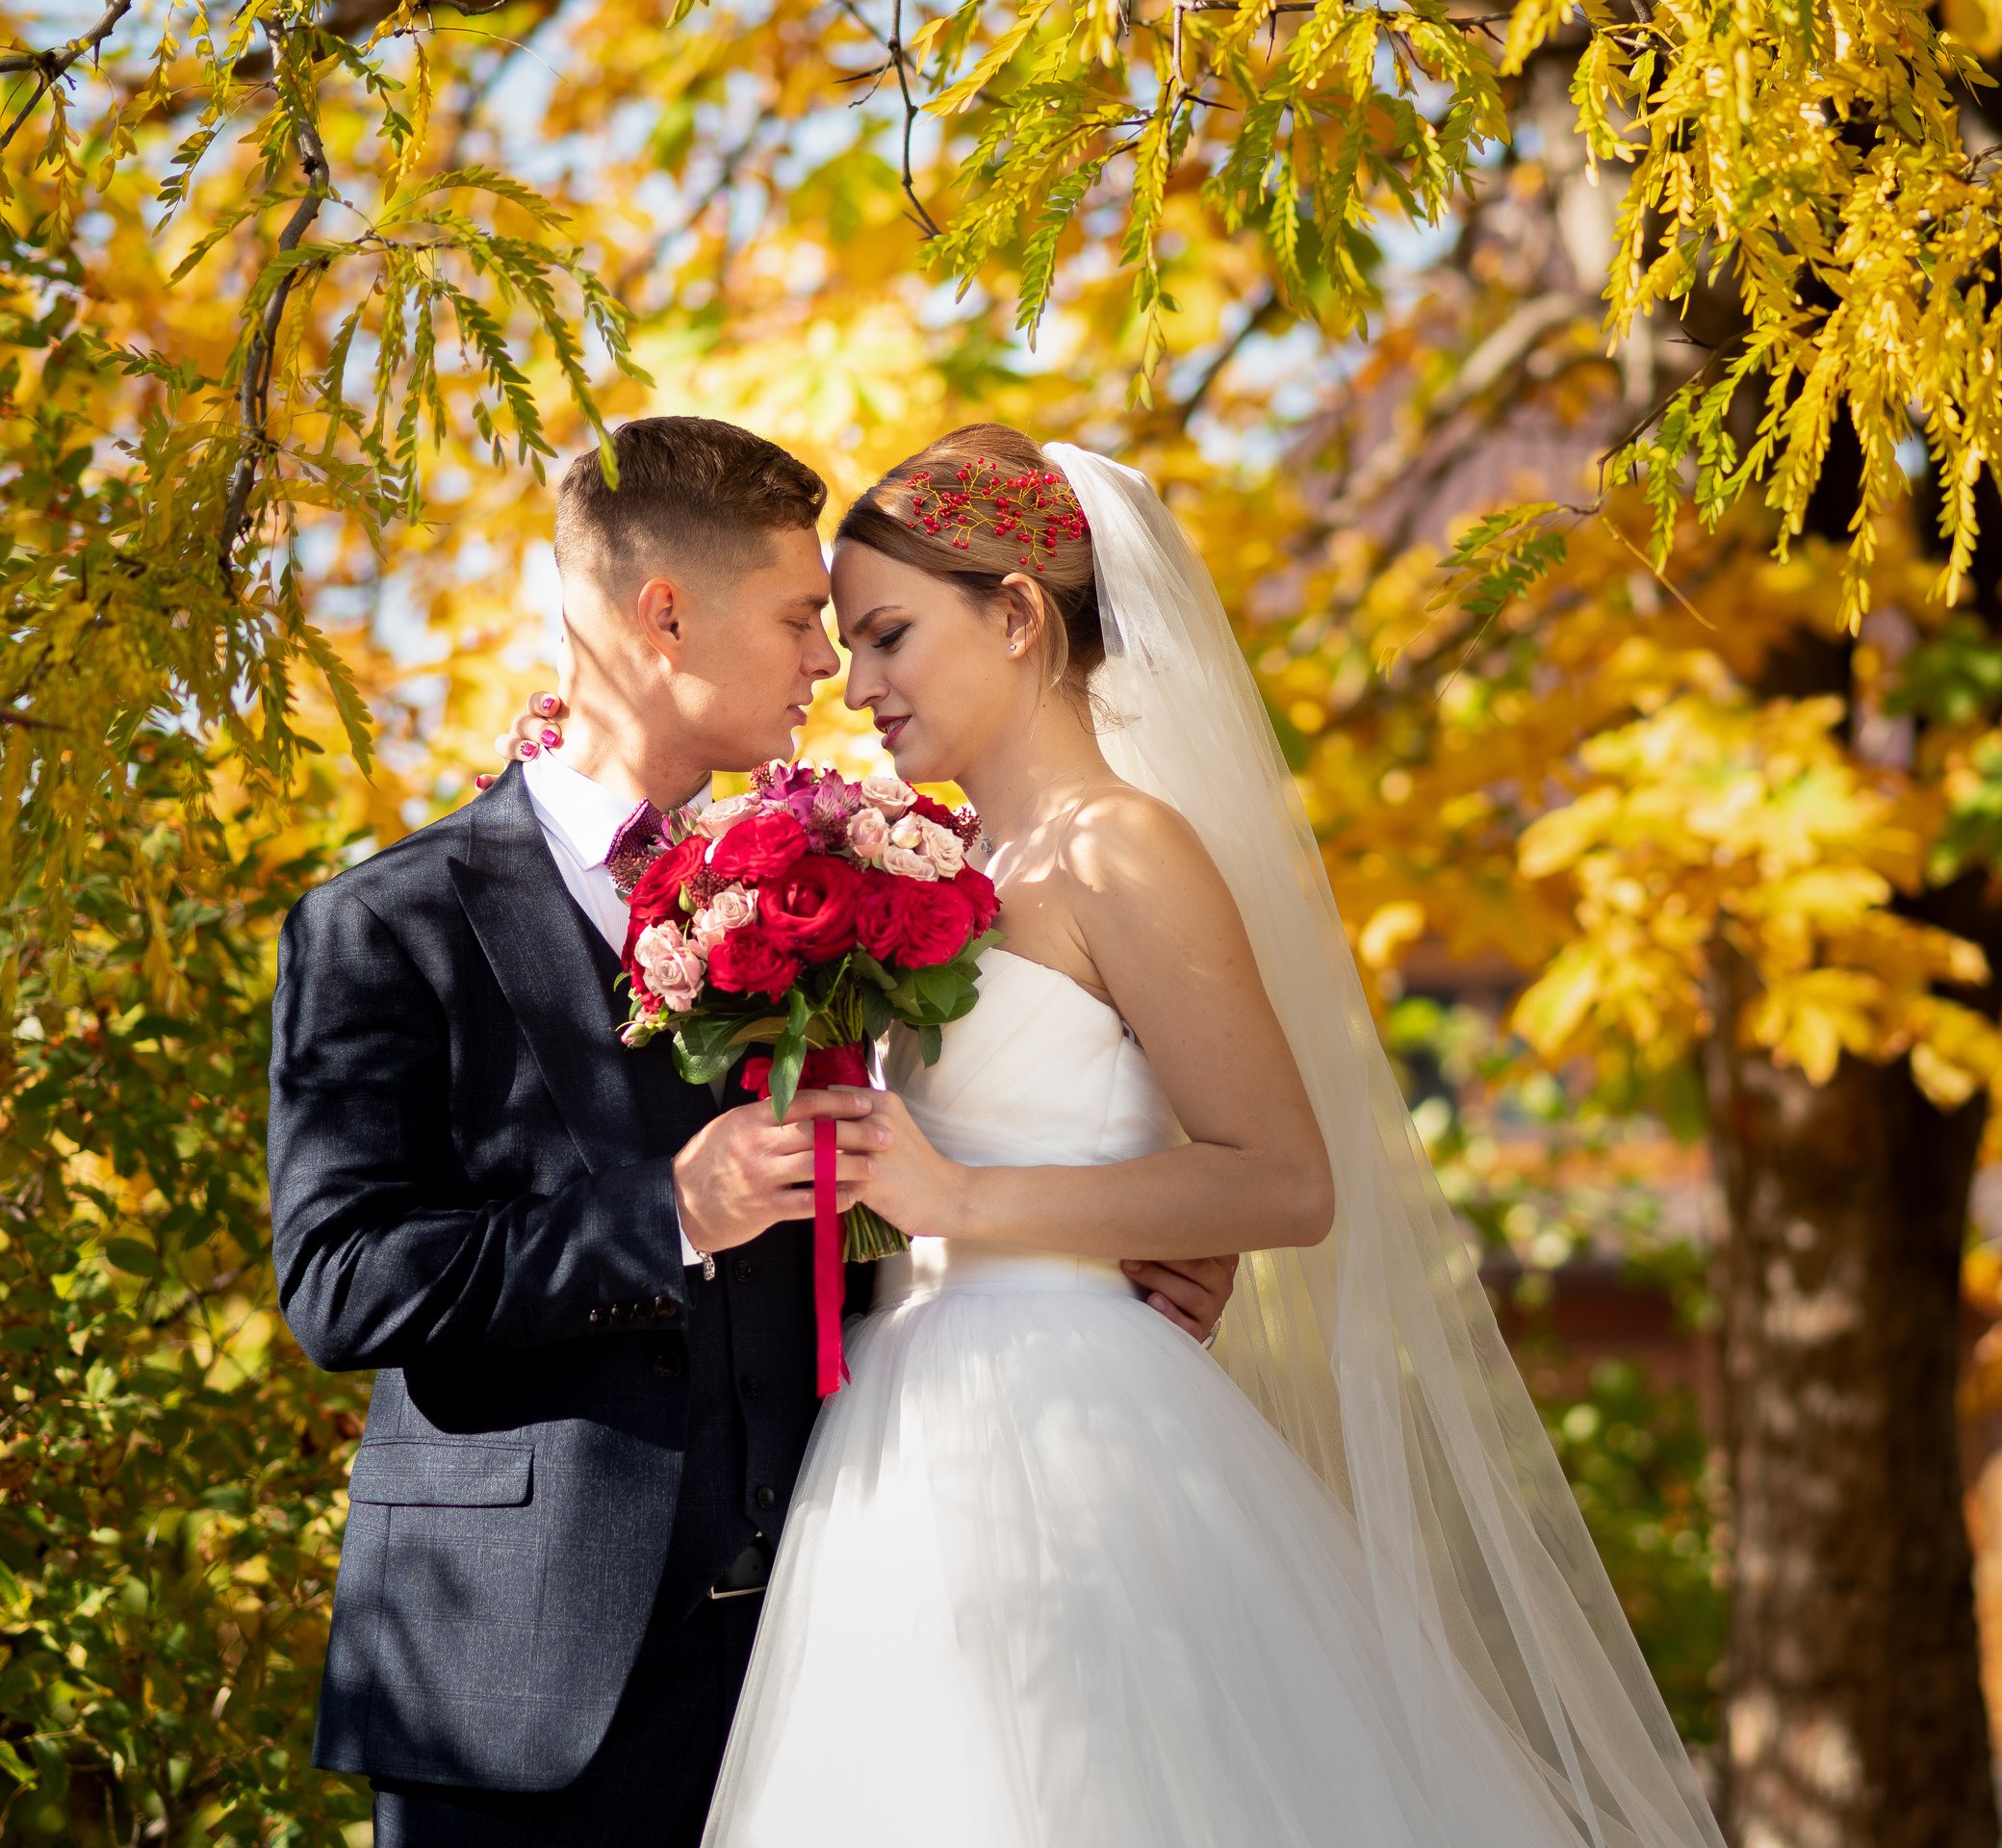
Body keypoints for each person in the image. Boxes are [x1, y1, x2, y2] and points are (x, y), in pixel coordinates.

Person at [564, 424, 1724, 1847]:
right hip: (897, 1427)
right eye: (846, 641)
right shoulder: (947, 866)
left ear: (1015, 613)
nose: (853, 685)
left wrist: (963, 1199)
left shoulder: (1123, 847)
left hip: (1073, 1435)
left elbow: (1287, 1179)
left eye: (888, 635)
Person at [268, 416, 1238, 1848]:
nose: (826, 669)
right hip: (519, 1682)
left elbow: (913, 1179)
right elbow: (343, 1280)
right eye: (798, 620)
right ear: (666, 616)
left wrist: (1117, 1244)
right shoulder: (382, 926)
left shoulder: (827, 890)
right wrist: (662, 1214)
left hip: (828, 1655)